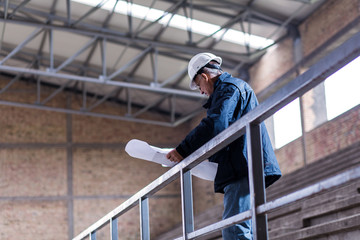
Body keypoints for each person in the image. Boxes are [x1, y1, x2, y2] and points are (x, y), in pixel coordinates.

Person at [166, 52, 282, 240]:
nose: (202, 92)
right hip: (242, 165)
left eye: (199, 86)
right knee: (242, 228)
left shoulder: (230, 89)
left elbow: (215, 124)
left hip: (243, 167)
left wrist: (182, 150)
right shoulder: (231, 89)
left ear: (204, 76)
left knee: (235, 230)